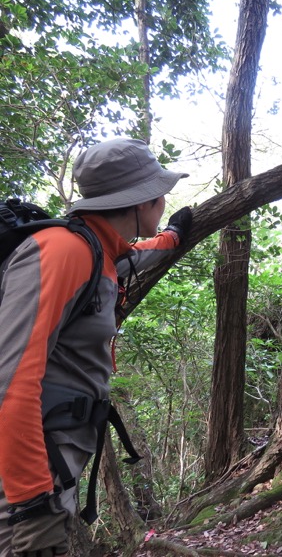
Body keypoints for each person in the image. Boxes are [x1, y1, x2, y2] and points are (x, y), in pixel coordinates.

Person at [0, 138, 192, 557]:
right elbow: (9, 381)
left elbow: (134, 256)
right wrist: (32, 504)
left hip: (55, 462)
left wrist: (174, 237)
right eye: (159, 194)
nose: (162, 200)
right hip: (22, 486)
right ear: (141, 202)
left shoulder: (98, 249)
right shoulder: (63, 251)